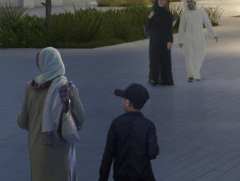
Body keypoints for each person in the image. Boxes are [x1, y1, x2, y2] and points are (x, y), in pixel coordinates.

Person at [18, 47, 85, 181]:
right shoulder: (67, 88)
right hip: (61, 150)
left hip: (38, 151)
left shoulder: (30, 88)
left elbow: (22, 121)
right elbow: (80, 119)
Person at [98, 83, 156, 181]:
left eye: (123, 99)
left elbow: (108, 155)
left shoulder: (117, 123)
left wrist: (103, 178)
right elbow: (152, 152)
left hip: (121, 175)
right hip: (144, 176)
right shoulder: (148, 125)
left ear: (128, 103)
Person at [175, 0, 217, 83]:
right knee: (190, 57)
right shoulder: (185, 14)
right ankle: (191, 75)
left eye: (191, 2)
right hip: (188, 39)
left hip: (199, 38)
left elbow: (208, 24)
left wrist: (214, 34)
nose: (190, 3)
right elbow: (181, 28)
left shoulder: (201, 13)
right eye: (188, 2)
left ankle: (196, 72)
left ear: (194, 2)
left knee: (199, 56)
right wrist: (180, 40)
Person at [144, 0, 175, 87]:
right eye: (160, 0)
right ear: (156, 2)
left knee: (165, 60)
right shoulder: (153, 13)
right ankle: (153, 79)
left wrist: (170, 41)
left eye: (163, 0)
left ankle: (166, 80)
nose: (161, 1)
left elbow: (170, 29)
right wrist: (149, 18)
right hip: (154, 40)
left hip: (165, 40)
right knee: (154, 60)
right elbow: (148, 27)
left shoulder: (168, 15)